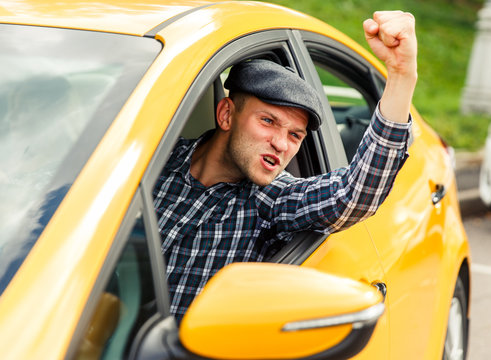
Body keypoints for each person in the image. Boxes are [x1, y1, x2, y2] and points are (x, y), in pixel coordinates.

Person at [153, 11, 417, 322]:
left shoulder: (271, 200)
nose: (282, 145)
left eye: (295, 135)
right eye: (268, 121)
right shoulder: (153, 164)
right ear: (226, 114)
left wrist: (401, 76)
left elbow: (353, 195)